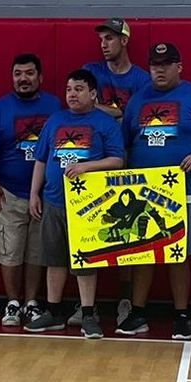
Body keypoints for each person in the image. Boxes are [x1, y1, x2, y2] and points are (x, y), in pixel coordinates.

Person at [117, 44, 191, 341]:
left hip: (182, 189)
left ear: (179, 66)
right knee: (142, 252)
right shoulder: (138, 99)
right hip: (141, 190)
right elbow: (124, 143)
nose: (160, 70)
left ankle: (181, 316)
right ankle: (138, 313)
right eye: (155, 64)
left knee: (178, 253)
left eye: (166, 64)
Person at [22, 69, 126, 339]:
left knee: (85, 259)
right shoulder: (55, 120)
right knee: (53, 258)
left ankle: (88, 314)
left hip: (87, 205)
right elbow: (41, 159)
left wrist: (86, 167)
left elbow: (117, 160)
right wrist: (34, 194)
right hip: (53, 200)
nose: (72, 94)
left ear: (93, 94)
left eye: (79, 89)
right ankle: (53, 312)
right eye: (69, 89)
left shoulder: (105, 123)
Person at [0, 53, 61, 327]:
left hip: (45, 195)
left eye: (29, 73)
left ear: (40, 77)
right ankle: (13, 303)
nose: (23, 79)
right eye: (18, 74)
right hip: (9, 193)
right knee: (10, 251)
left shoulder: (54, 106)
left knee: (36, 252)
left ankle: (32, 303)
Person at [79, 17, 150, 326]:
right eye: (101, 39)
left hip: (129, 162)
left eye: (109, 38)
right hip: (94, 163)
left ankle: (125, 299)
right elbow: (79, 105)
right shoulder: (91, 71)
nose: (104, 44)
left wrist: (102, 109)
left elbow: (133, 117)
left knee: (128, 235)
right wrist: (115, 112)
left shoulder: (142, 79)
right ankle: (86, 306)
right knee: (90, 231)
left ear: (124, 40)